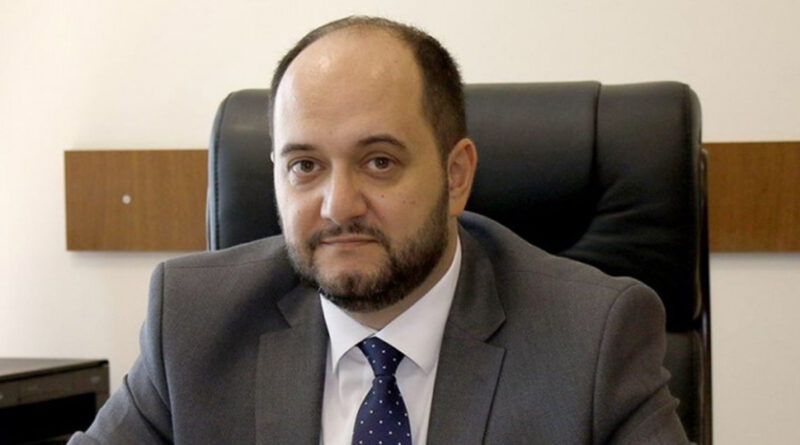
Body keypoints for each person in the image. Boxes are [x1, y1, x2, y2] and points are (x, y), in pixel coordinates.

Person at [70, 16, 690, 444]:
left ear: (455, 176)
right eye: (305, 166)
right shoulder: (194, 321)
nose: (338, 205)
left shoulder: (590, 337)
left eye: (379, 162)